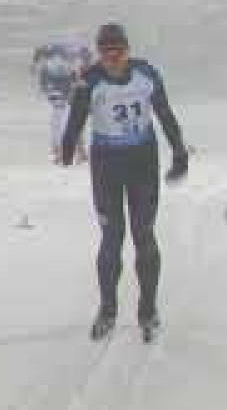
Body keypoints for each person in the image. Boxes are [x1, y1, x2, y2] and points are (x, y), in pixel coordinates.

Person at [60, 23, 190, 341]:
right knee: (112, 239)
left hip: (142, 161)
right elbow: (76, 118)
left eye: (118, 52)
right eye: (107, 53)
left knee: (144, 235)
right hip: (107, 165)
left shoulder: (146, 75)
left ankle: (148, 311)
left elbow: (165, 114)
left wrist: (179, 152)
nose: (113, 59)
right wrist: (67, 146)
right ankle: (107, 311)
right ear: (100, 54)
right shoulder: (89, 82)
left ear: (127, 50)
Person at [32, 39, 93, 163]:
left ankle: (74, 151)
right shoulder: (69, 52)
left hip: (61, 79)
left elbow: (39, 53)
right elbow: (39, 53)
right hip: (54, 80)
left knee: (68, 113)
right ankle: (62, 150)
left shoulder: (74, 55)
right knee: (63, 113)